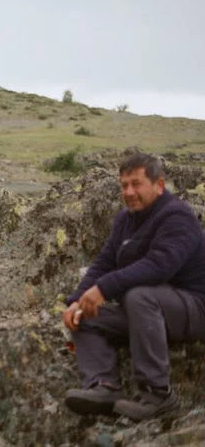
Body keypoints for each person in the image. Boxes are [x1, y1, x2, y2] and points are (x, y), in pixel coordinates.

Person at [62, 153, 205, 421]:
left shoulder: (177, 216)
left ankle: (159, 395)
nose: (129, 192)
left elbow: (159, 266)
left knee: (139, 295)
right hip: (150, 314)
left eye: (136, 184)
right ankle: (103, 388)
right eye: (124, 185)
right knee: (85, 316)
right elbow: (103, 264)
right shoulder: (125, 220)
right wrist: (77, 299)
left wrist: (103, 289)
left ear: (159, 185)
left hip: (195, 308)